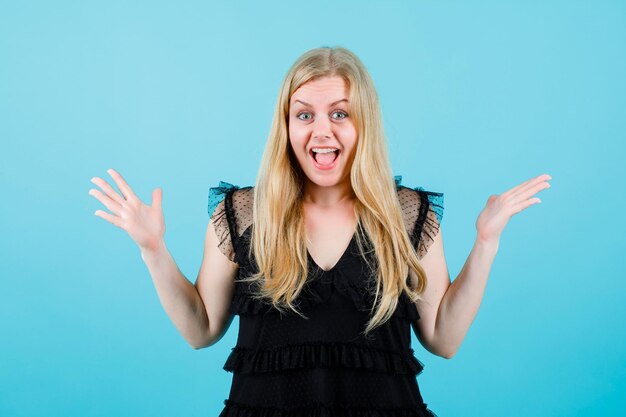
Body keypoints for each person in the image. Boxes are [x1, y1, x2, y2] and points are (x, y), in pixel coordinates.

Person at [88, 46, 551, 416]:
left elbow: (444, 340)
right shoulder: (243, 213)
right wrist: (152, 249)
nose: (321, 131)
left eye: (340, 113)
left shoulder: (408, 214)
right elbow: (200, 329)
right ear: (286, 126)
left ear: (363, 123)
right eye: (304, 114)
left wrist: (486, 242)